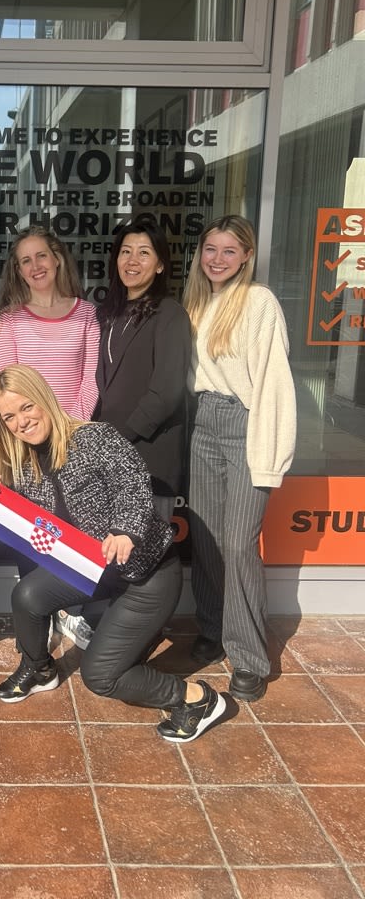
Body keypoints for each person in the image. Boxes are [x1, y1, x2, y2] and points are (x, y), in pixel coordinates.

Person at [0, 364, 226, 743]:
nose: (21, 422)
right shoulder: (24, 463)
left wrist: (126, 529)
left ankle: (198, 700)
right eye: (9, 417)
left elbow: (134, 484)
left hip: (146, 578)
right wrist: (2, 498)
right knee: (26, 595)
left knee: (102, 677)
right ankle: (38, 668)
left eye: (26, 407)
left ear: (44, 399)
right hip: (92, 570)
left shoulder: (95, 437)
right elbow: (39, 516)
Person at [56, 216, 191, 651]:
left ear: (160, 264)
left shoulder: (169, 314)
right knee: (112, 546)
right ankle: (112, 630)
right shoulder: (106, 312)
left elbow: (166, 391)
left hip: (149, 454)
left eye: (144, 253)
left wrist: (116, 441)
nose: (132, 261)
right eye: (126, 252)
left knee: (145, 551)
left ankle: (141, 638)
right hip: (108, 452)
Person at [183, 215, 296, 702]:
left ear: (247, 256)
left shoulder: (258, 301)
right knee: (207, 539)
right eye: (211, 249)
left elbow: (274, 383)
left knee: (238, 545)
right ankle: (213, 629)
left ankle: (249, 657)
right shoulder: (194, 302)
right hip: (200, 422)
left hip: (243, 425)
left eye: (230, 251)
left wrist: (271, 457)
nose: (218, 259)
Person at [0, 227, 100, 420]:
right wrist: (34, 426)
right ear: (19, 271)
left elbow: (91, 381)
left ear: (56, 259)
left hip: (74, 428)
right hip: (28, 429)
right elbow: (6, 386)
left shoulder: (86, 313)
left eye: (41, 256)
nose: (35, 266)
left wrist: (71, 426)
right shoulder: (9, 319)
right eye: (26, 260)